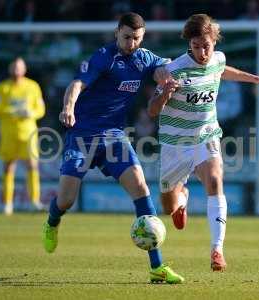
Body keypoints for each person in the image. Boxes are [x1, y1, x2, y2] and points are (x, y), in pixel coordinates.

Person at [41, 12, 184, 284]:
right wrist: (68, 108)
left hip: (114, 138)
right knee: (66, 200)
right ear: (117, 32)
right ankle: (52, 220)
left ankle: (157, 266)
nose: (132, 43)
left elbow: (160, 68)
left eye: (137, 38)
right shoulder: (103, 57)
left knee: (141, 189)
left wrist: (165, 76)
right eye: (127, 37)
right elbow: (76, 84)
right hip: (83, 135)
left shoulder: (143, 58)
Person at [147, 14, 259, 272]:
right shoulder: (174, 70)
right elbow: (152, 111)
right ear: (190, 44)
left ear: (214, 41)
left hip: (206, 135)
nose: (201, 52)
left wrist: (255, 79)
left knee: (216, 180)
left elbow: (223, 70)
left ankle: (217, 250)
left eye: (206, 45)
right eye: (196, 46)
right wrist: (165, 93)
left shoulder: (218, 59)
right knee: (168, 206)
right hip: (174, 143)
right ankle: (181, 198)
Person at [0, 57, 45, 215]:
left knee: (32, 166)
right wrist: (13, 111)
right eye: (14, 67)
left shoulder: (33, 86)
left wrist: (31, 113)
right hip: (8, 133)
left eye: (19, 67)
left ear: (24, 69)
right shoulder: (2, 87)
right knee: (8, 167)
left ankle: (34, 202)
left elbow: (41, 110)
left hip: (28, 133)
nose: (16, 69)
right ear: (10, 69)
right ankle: (7, 204)